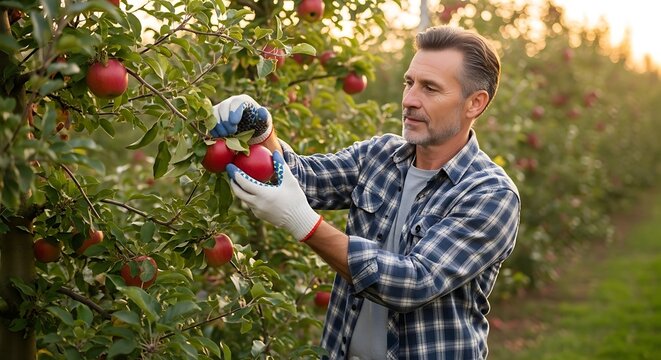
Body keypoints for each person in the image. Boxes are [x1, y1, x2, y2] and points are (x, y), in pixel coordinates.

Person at [212, 25, 521, 360]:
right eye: (409, 82)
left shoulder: (490, 194)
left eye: (430, 88)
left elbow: (414, 282)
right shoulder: (378, 156)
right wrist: (263, 132)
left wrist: (306, 226)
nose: (409, 100)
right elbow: (302, 179)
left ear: (474, 103)